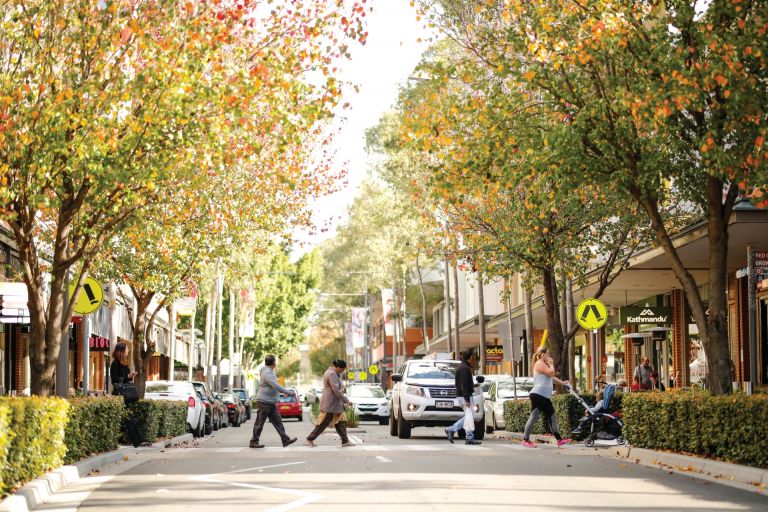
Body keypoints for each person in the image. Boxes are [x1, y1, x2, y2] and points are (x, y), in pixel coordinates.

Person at [521, 346, 571, 448]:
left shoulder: (544, 364)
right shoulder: (539, 364)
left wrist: (563, 383)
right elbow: (552, 372)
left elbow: (552, 377)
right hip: (538, 395)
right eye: (548, 354)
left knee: (552, 417)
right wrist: (551, 364)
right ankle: (525, 440)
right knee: (534, 417)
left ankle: (559, 440)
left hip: (545, 396)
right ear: (543, 355)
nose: (549, 356)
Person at [249, 355, 298, 448]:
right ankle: (253, 442)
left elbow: (275, 386)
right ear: (273, 363)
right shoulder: (267, 373)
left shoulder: (269, 371)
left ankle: (285, 440)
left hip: (270, 402)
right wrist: (289, 392)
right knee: (260, 422)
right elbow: (275, 385)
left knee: (278, 421)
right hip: (264, 402)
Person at [306, 359, 355, 447]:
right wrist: (347, 401)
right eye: (342, 369)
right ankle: (309, 439)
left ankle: (345, 441)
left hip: (335, 404)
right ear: (338, 367)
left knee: (341, 422)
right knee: (323, 423)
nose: (343, 371)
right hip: (331, 404)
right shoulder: (332, 374)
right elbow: (336, 390)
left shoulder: (331, 372)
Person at [444, 348, 481, 445]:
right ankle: (451, 429)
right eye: (473, 356)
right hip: (465, 396)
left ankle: (469, 437)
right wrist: (467, 399)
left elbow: (459, 384)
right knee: (470, 415)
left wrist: (472, 386)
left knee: (469, 416)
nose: (474, 359)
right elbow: (464, 385)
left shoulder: (462, 367)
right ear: (471, 357)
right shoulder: (464, 368)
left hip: (462, 396)